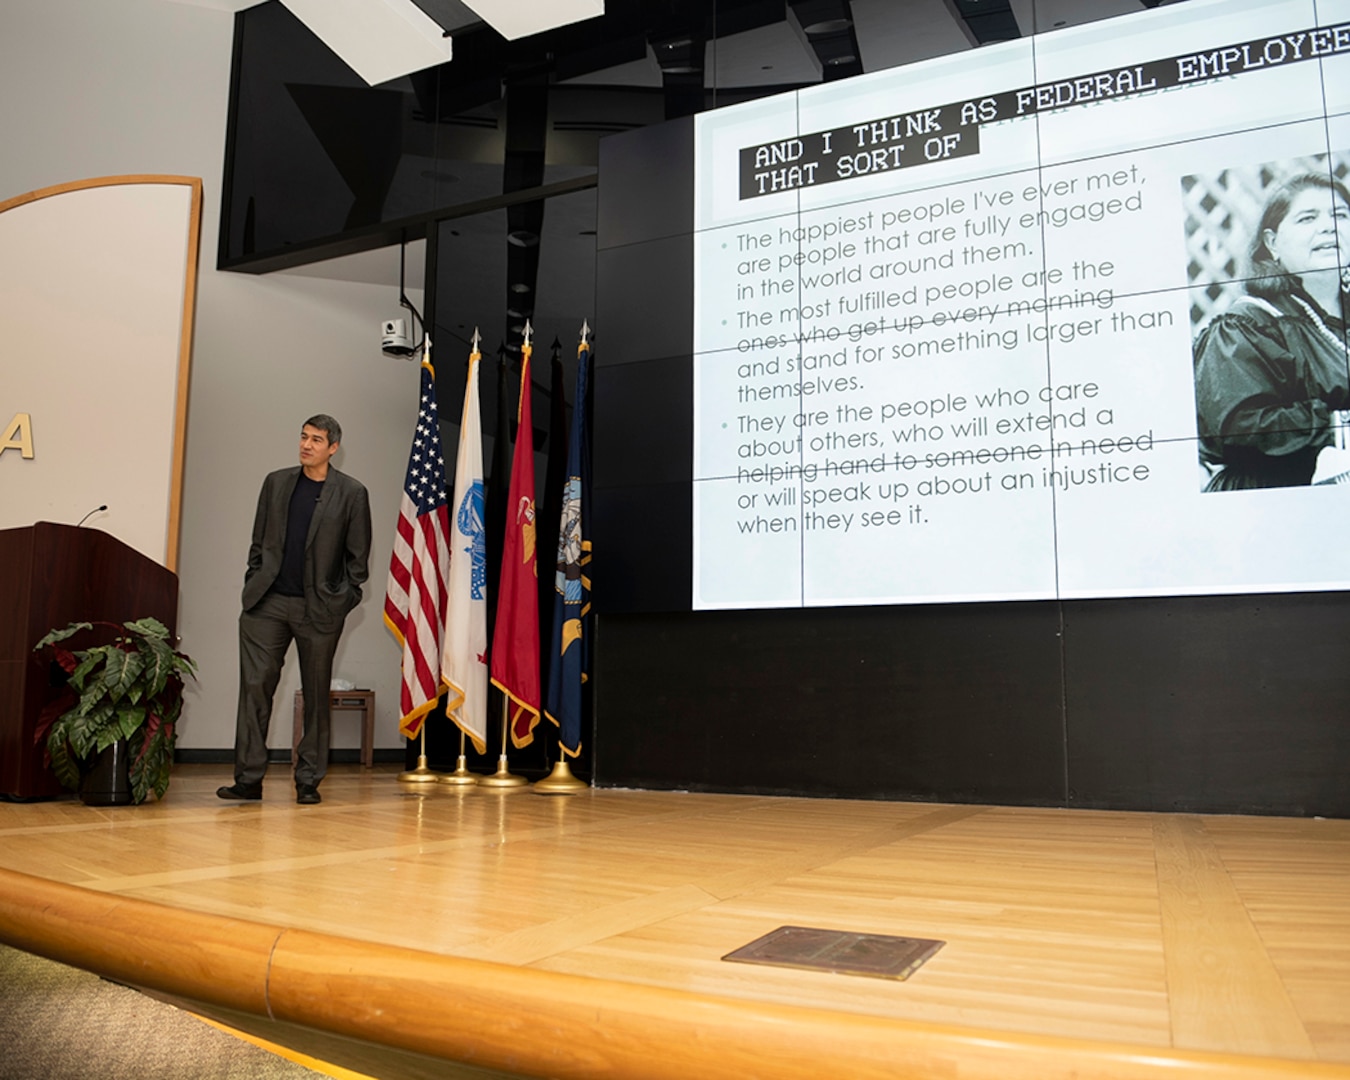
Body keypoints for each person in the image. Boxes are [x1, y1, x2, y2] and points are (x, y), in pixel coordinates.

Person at [217, 415, 371, 804]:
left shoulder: (352, 493)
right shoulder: (276, 482)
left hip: (318, 611)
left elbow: (358, 565)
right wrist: (253, 581)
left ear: (333, 448)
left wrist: (338, 604)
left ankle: (308, 780)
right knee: (254, 690)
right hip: (266, 604)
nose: (306, 445)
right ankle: (248, 779)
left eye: (316, 440)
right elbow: (259, 543)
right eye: (303, 437)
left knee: (317, 696)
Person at [1193, 172, 1350, 490]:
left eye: (1340, 215)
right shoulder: (1248, 326)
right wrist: (1336, 426)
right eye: (1307, 218)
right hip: (1270, 500)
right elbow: (1234, 430)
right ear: (1272, 243)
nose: (1329, 226)